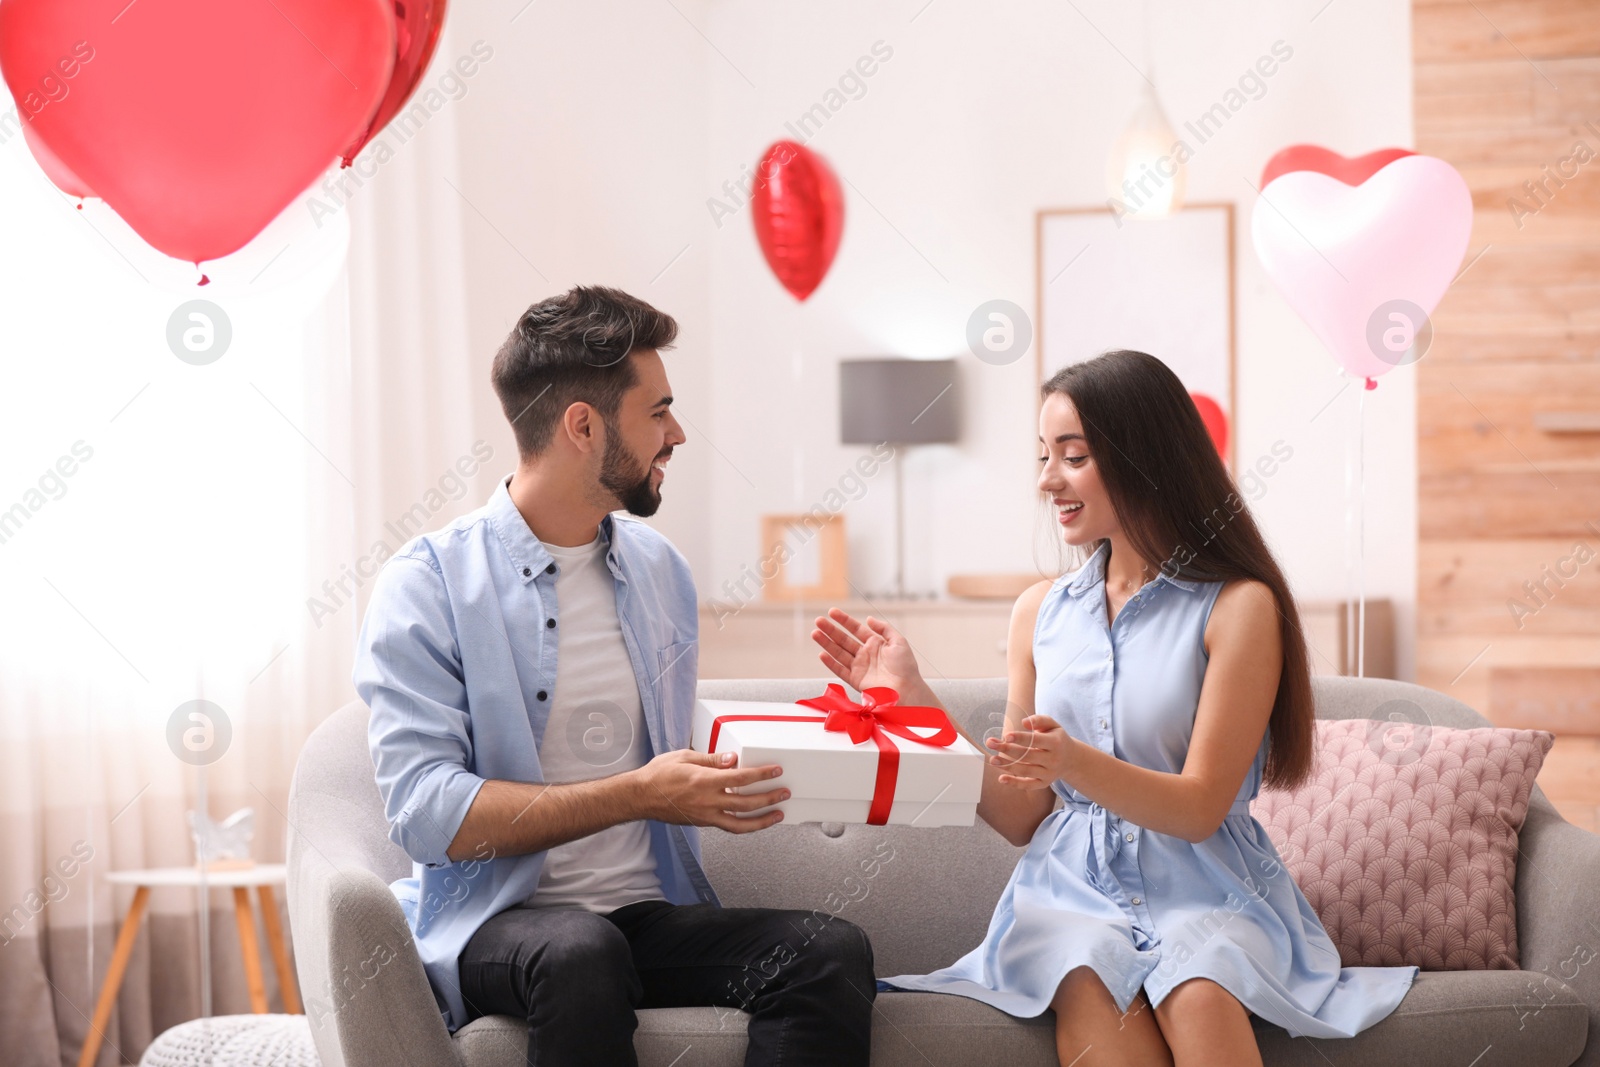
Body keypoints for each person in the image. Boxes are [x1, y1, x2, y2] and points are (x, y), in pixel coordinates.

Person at [809, 350, 1416, 1066]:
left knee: (1200, 986)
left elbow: (1197, 809)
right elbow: (1020, 814)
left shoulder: (1238, 606)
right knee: (1086, 970)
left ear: (1142, 456)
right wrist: (914, 698)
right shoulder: (1038, 612)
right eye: (1043, 455)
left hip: (1208, 885)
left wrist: (1074, 760)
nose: (1046, 479)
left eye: (1072, 455)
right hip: (1069, 891)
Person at [355, 285, 875, 1067]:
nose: (678, 433)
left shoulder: (659, 570)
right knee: (579, 949)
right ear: (583, 425)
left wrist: (817, 747)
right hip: (503, 922)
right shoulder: (427, 582)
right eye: (658, 411)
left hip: (641, 914)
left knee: (827, 949)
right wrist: (639, 792)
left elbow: (671, 740)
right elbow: (428, 813)